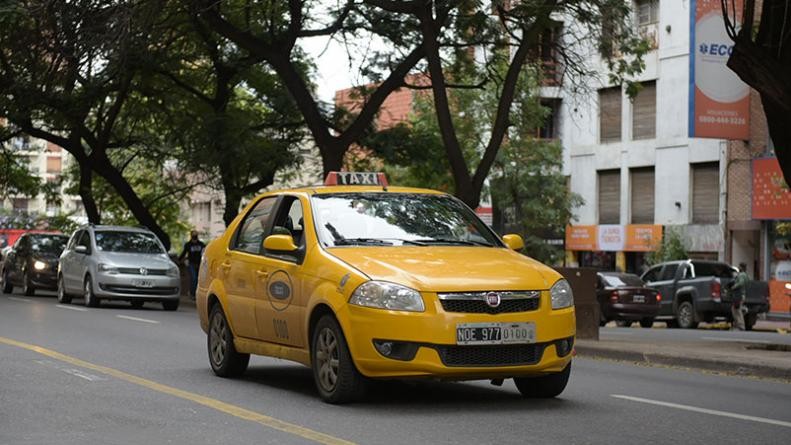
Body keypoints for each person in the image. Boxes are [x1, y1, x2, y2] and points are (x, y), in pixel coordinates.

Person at [179, 230, 205, 299]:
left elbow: (204, 253)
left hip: (199, 264)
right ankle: (192, 293)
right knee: (194, 278)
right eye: (194, 235)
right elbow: (184, 253)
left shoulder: (201, 244)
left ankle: (196, 294)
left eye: (196, 235)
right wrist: (179, 260)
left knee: (198, 279)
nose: (195, 236)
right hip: (191, 264)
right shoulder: (188, 245)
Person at [730, 263, 750, 331]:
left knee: (737, 310)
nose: (738, 268)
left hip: (739, 294)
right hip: (743, 294)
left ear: (741, 267)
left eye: (739, 267)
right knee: (736, 309)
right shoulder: (746, 275)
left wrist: (734, 287)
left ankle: (740, 326)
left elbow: (741, 283)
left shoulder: (741, 275)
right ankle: (738, 324)